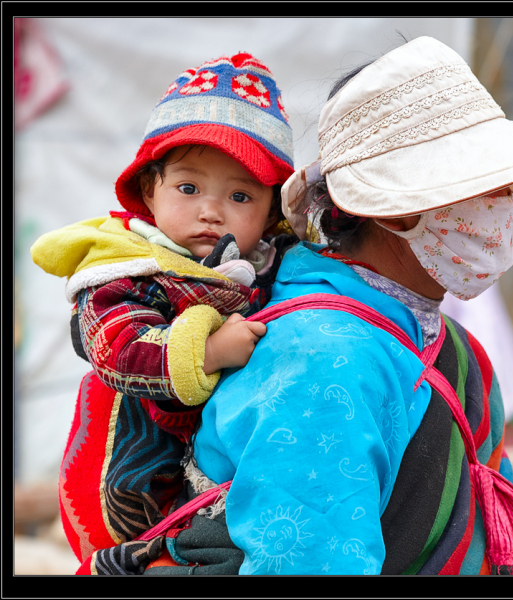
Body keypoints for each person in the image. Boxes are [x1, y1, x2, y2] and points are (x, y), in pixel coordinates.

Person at [148, 36, 513, 576]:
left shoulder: (450, 345)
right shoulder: (319, 358)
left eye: (501, 188)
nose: (496, 208)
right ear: (391, 208)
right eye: (477, 187)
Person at [30, 51, 310, 573]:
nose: (211, 209)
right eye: (188, 188)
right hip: (133, 463)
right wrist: (206, 351)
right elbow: (115, 348)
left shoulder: (270, 265)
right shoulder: (124, 267)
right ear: (147, 189)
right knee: (131, 549)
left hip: (221, 469)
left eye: (241, 195)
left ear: (272, 213)